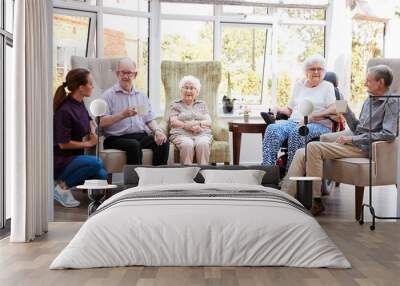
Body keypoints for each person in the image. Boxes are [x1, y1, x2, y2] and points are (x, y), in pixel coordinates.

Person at [281, 64, 399, 215]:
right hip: (356, 143)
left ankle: (315, 201)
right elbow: (358, 127)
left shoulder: (392, 103)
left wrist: (352, 140)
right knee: (300, 153)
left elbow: (388, 134)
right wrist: (346, 110)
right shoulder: (369, 100)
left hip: (365, 148)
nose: (364, 83)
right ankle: (286, 197)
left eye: (368, 80)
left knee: (313, 147)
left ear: (380, 82)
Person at [262, 54, 337, 170]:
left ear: (324, 71)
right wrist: (277, 108)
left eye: (320, 69)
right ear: (306, 71)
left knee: (298, 132)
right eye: (312, 69)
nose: (316, 71)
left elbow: (335, 108)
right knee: (272, 129)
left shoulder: (327, 87)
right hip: (294, 121)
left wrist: (312, 117)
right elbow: (290, 110)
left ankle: (291, 175)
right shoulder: (298, 85)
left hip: (318, 124)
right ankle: (268, 172)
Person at [54, 68, 107, 208]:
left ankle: (98, 205)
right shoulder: (64, 110)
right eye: (90, 83)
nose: (92, 86)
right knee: (96, 163)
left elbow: (88, 119)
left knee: (101, 174)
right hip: (61, 161)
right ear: (81, 87)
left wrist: (93, 128)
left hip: (75, 158)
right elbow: (63, 144)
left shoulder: (80, 103)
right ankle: (61, 188)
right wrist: (89, 143)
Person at [100, 58, 169, 165]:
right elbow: (102, 122)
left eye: (129, 73)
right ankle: (134, 181)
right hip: (115, 138)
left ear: (135, 75)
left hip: (139, 136)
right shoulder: (108, 96)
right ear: (117, 73)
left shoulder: (141, 96)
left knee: (163, 142)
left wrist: (157, 131)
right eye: (123, 72)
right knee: (133, 145)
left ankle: (156, 178)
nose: (126, 76)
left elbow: (149, 119)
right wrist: (122, 115)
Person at [169, 75, 212, 165]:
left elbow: (209, 122)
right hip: (182, 134)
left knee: (203, 144)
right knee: (187, 144)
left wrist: (198, 124)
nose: (189, 90)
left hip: (201, 133)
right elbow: (173, 121)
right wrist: (186, 126)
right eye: (186, 87)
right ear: (181, 90)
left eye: (192, 88)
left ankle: (203, 174)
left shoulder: (202, 104)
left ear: (197, 92)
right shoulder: (176, 104)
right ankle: (187, 175)